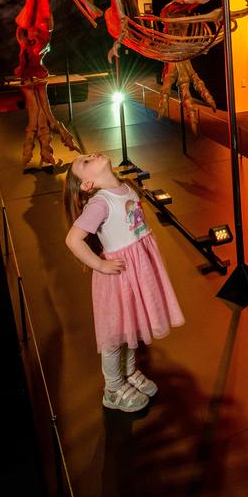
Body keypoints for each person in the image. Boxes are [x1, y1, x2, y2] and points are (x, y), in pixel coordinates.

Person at [65, 152, 185, 413]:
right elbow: (73, 240)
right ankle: (113, 388)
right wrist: (100, 265)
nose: (90, 155)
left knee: (129, 326)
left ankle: (129, 372)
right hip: (117, 277)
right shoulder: (99, 204)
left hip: (135, 271)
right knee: (113, 335)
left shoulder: (127, 188)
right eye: (85, 162)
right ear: (87, 184)